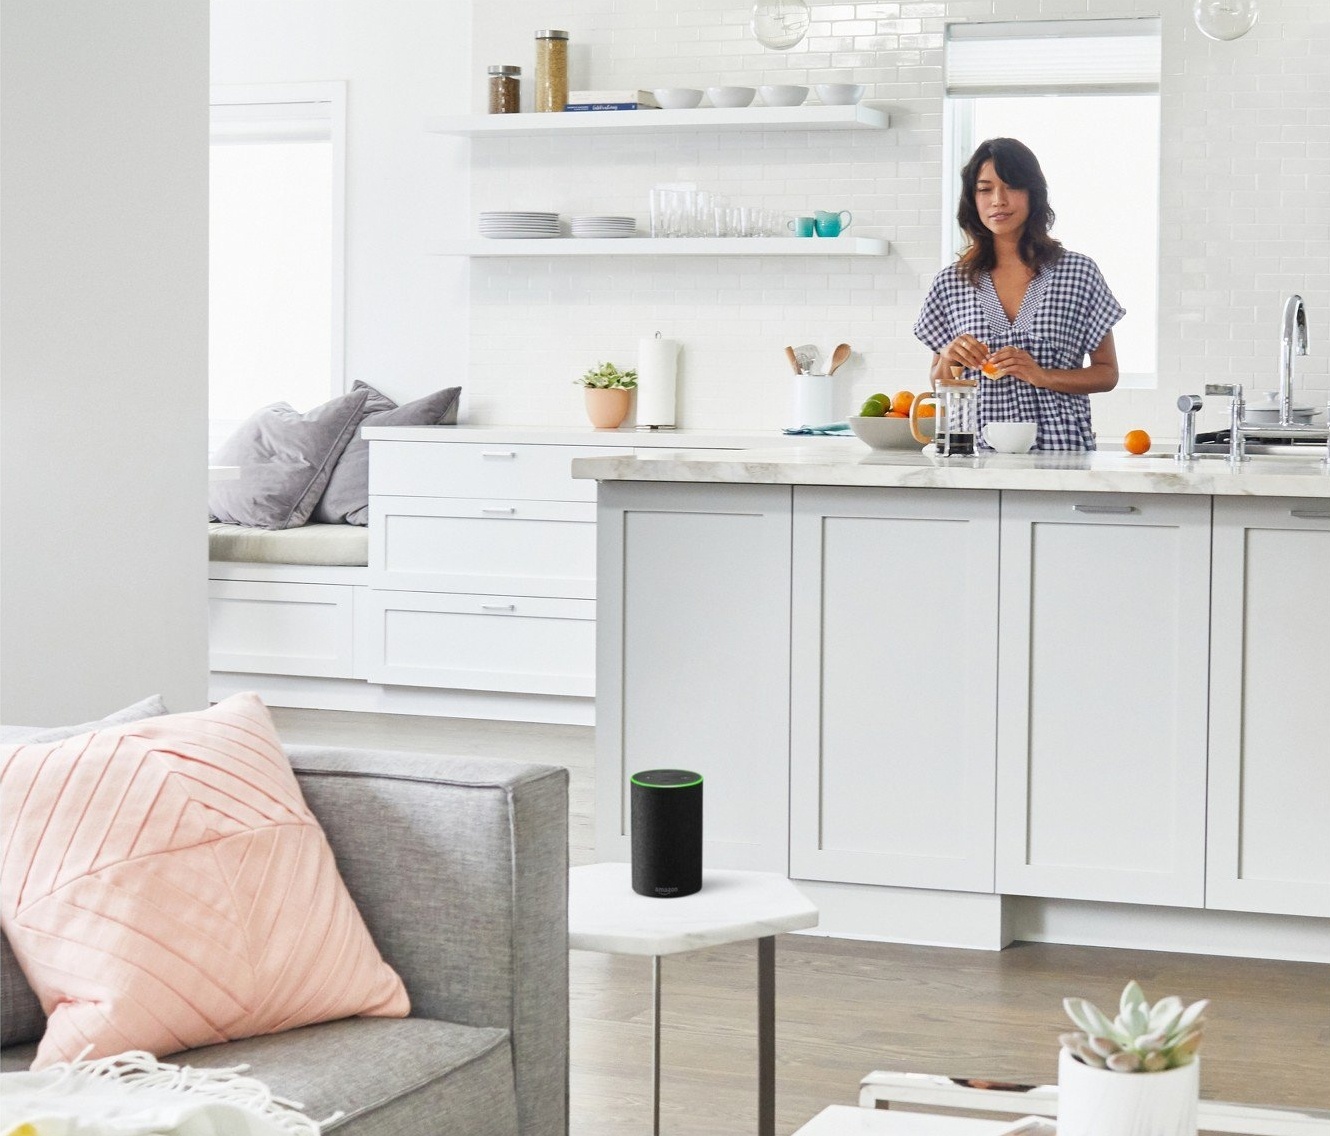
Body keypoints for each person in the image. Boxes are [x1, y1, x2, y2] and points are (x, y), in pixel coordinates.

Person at [914, 137, 1125, 451]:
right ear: (973, 199)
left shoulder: (1078, 272)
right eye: (985, 189)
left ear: (1033, 194)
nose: (998, 200)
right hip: (973, 455)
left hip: (1060, 453)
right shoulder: (951, 282)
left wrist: (1042, 376)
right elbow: (939, 382)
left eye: (1011, 186)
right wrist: (948, 355)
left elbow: (1107, 374)